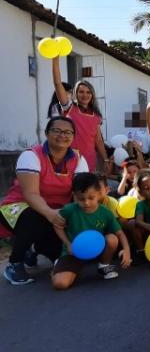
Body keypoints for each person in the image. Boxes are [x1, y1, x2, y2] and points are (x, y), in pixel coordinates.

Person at [1, 117, 88, 285]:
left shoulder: (78, 159)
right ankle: (14, 263)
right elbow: (31, 194)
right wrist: (50, 213)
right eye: (57, 130)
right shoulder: (30, 156)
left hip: (55, 210)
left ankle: (33, 249)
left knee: (59, 251)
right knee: (35, 217)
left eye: (68, 132)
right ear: (47, 133)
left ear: (73, 136)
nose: (62, 135)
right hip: (19, 207)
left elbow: (79, 193)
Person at [51, 173, 131, 290]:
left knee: (112, 239)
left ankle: (104, 266)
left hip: (98, 250)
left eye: (91, 198)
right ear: (74, 196)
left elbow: (119, 233)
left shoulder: (105, 212)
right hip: (74, 253)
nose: (86, 203)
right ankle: (60, 267)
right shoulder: (69, 210)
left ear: (99, 194)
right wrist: (68, 244)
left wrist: (127, 250)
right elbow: (57, 225)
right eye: (81, 199)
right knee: (60, 284)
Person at [52, 57, 108, 172]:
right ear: (75, 94)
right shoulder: (69, 107)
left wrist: (106, 159)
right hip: (68, 158)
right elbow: (58, 84)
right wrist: (55, 60)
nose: (85, 95)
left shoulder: (96, 116)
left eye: (88, 92)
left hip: (89, 160)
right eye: (81, 92)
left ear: (92, 95)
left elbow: (98, 140)